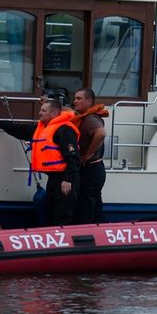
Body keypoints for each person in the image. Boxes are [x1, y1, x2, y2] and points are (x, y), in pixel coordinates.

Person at [0, 98, 80, 226]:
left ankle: (64, 236)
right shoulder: (43, 129)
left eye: (43, 110)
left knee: (63, 215)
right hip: (54, 179)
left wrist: (68, 179)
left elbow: (73, 157)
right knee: (51, 212)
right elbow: (21, 130)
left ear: (54, 113)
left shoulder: (65, 130)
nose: (39, 113)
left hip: (66, 179)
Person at [72, 87, 109, 224]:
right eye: (75, 98)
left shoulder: (90, 119)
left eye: (79, 98)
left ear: (89, 101)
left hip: (91, 169)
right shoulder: (83, 117)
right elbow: (68, 110)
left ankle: (84, 232)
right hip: (94, 169)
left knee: (86, 206)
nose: (75, 101)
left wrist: (88, 154)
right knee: (95, 204)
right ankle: (100, 229)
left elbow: (101, 134)